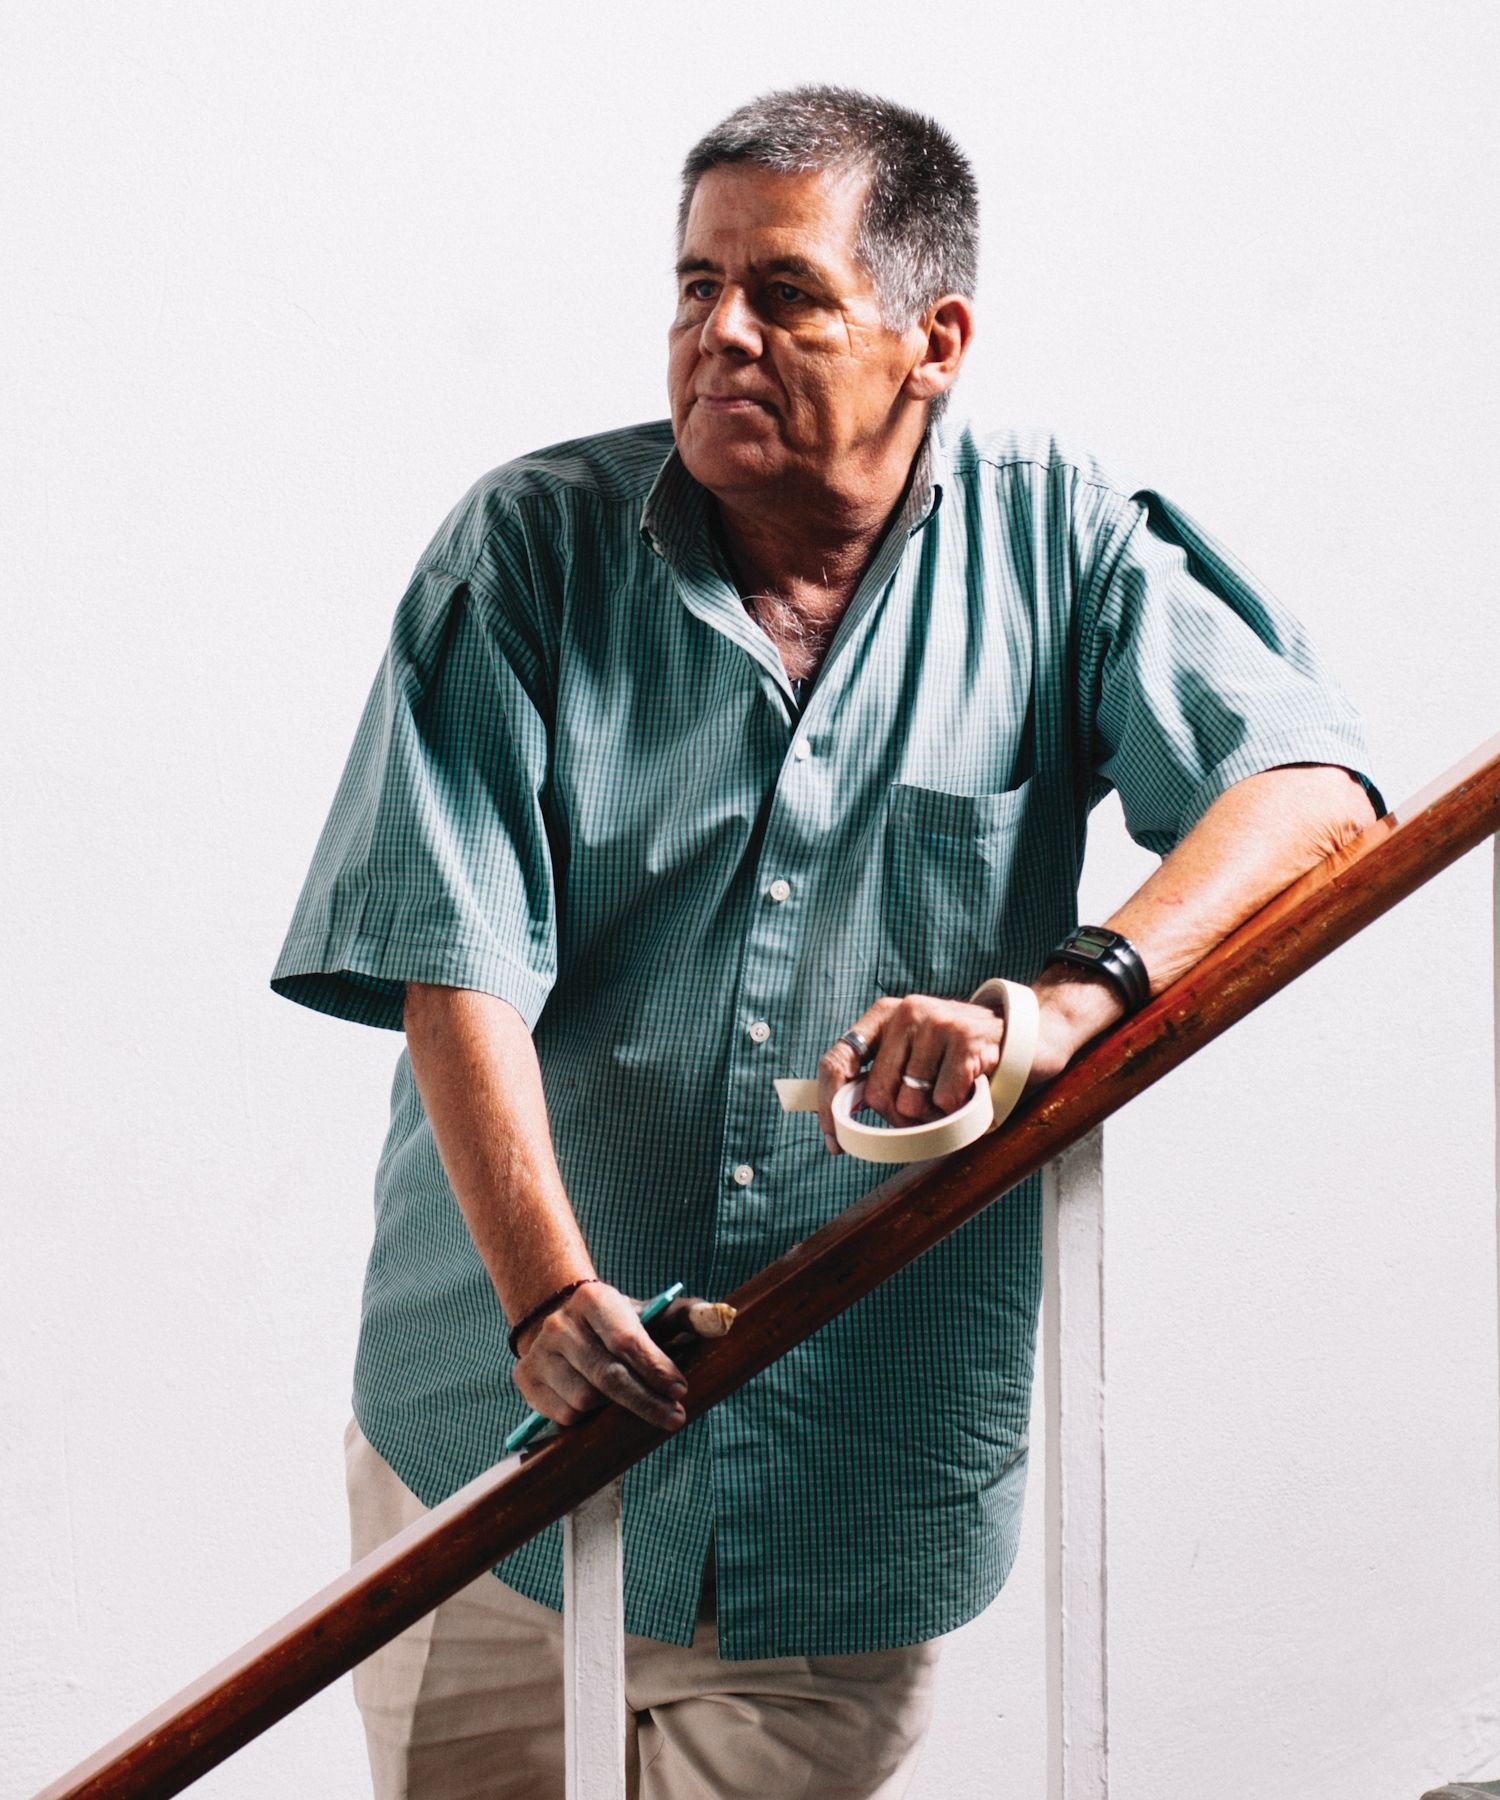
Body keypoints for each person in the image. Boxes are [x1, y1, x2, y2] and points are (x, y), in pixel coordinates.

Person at [272, 84, 1381, 1800]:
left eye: (784, 293)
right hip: (489, 1455)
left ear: (935, 339)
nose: (719, 333)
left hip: (846, 1470)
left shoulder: (1064, 544)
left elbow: (1308, 791)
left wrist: (1061, 1005)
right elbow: (451, 951)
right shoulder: (526, 551)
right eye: (694, 286)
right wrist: (547, 1297)